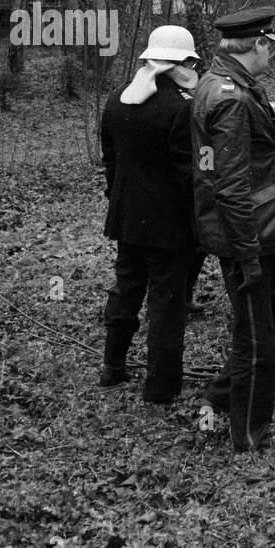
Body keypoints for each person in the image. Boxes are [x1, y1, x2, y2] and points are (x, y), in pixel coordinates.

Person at [192, 7, 275, 452]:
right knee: (255, 335)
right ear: (258, 44)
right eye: (270, 46)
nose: (272, 54)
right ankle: (248, 433)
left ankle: (222, 393)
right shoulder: (231, 98)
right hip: (246, 232)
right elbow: (231, 184)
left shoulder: (223, 83)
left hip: (257, 227)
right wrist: (247, 253)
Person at [99, 26, 200, 402]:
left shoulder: (115, 100)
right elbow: (186, 175)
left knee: (126, 290)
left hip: (127, 218)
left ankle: (113, 368)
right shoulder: (180, 108)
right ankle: (161, 388)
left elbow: (110, 161)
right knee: (166, 304)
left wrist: (120, 199)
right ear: (180, 64)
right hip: (169, 227)